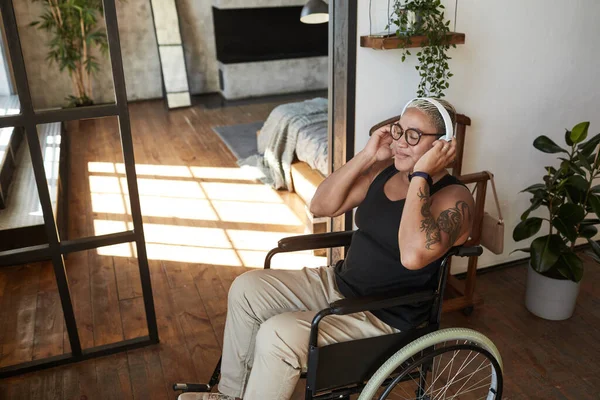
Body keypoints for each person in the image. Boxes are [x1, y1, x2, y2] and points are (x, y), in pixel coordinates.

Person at [188, 98, 475, 400]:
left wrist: (422, 175)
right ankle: (231, 395)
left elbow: (413, 255)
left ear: (442, 145)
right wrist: (367, 155)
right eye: (399, 130)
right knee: (246, 288)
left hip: (382, 315)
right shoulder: (385, 173)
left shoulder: (455, 199)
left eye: (413, 135)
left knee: (277, 334)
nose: (401, 142)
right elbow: (321, 205)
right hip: (338, 283)